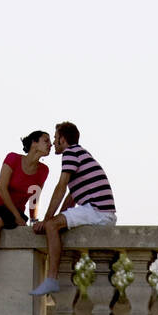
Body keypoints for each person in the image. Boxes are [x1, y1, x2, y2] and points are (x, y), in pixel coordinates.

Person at [31, 121, 116, 295]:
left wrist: (48, 221)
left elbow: (61, 188)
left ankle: (52, 279)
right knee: (55, 224)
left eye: (55, 138)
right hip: (102, 212)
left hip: (97, 211)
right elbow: (71, 197)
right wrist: (58, 217)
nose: (54, 142)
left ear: (62, 139)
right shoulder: (81, 153)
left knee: (52, 226)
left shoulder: (70, 153)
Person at [0, 131, 51, 289]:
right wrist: (16, 216)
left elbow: (35, 196)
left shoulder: (43, 170)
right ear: (34, 143)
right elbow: (2, 189)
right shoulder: (12, 158)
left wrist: (33, 220)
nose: (50, 144)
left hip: (12, 210)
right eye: (46, 140)